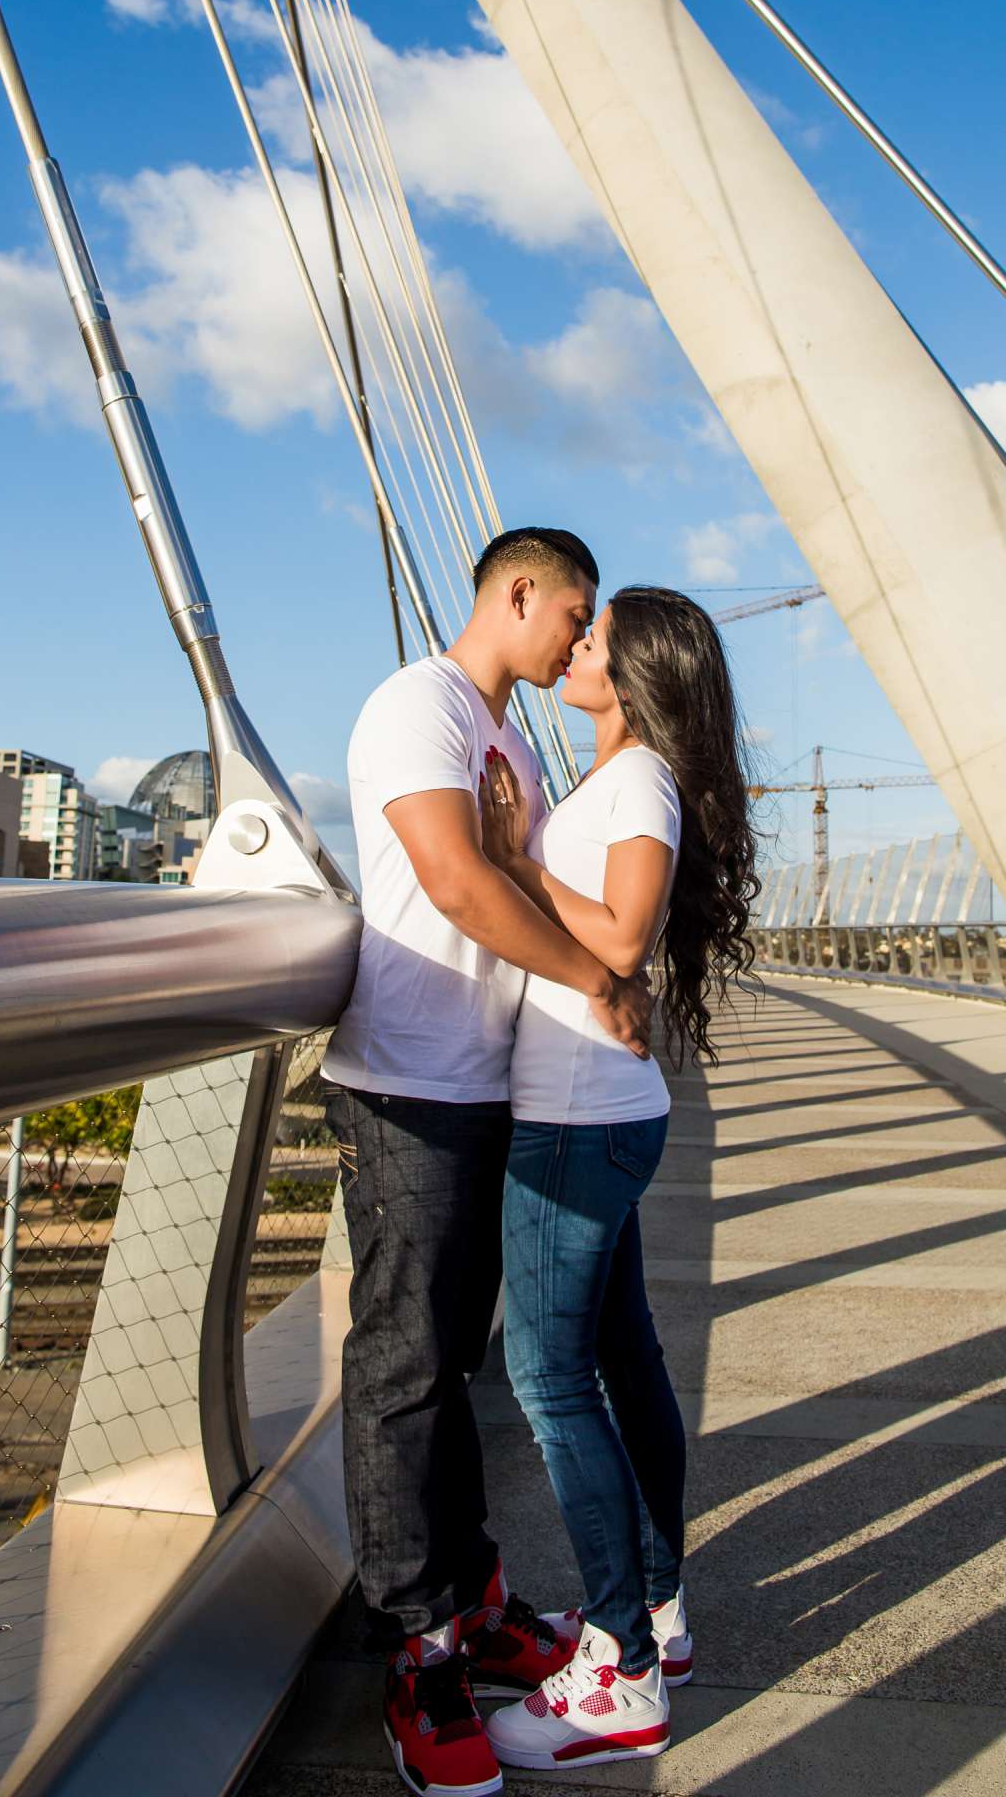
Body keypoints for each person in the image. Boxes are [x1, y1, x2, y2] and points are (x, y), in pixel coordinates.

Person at [323, 528, 653, 1797]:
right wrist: (596, 980)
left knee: (452, 1366)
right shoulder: (419, 706)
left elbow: (526, 875)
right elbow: (457, 881)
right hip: (407, 1085)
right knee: (404, 1365)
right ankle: (415, 1649)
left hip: (488, 1086)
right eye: (572, 614)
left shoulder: (510, 735)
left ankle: (473, 1599)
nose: (583, 639)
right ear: (516, 594)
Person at [472, 587, 756, 1774]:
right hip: (600, 1107)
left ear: (632, 672)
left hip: (577, 1119)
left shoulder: (636, 784)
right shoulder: (614, 780)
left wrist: (503, 863)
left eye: (594, 636)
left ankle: (619, 1671)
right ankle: (661, 1612)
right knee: (625, 1355)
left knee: (548, 1380)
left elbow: (625, 937)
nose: (574, 647)